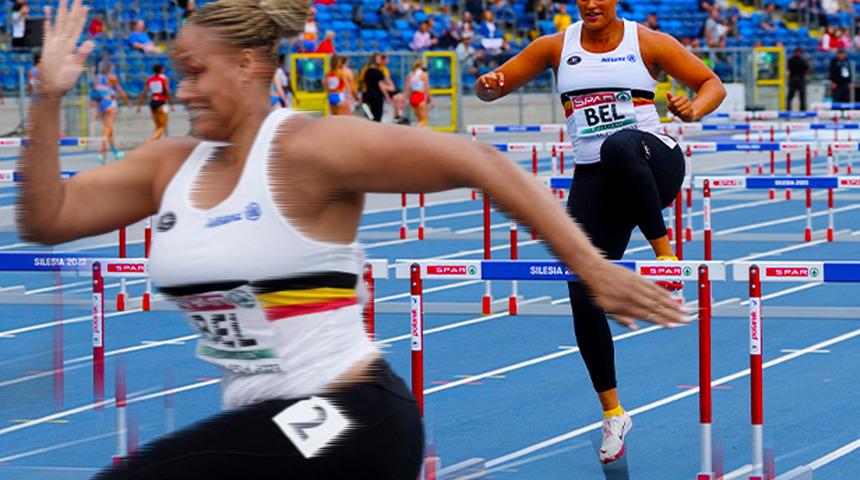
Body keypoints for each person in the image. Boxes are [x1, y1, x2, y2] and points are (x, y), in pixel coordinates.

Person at [24, 1, 685, 477]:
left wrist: (592, 268)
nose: (181, 91)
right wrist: (47, 97)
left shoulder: (307, 146)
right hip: (274, 420)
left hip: (346, 414)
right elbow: (48, 219)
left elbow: (478, 161)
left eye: (196, 72)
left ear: (247, 65)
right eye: (178, 74)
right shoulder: (170, 165)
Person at [476, 0, 724, 464]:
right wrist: (487, 86)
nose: (590, 4)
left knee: (619, 144)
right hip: (595, 180)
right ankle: (614, 414)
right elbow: (494, 87)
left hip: (654, 163)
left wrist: (694, 110)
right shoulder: (555, 46)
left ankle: (666, 256)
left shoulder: (646, 41)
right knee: (583, 289)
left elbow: (712, 84)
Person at [92, 60, 130, 161]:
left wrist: (96, 109)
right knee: (108, 130)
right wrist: (127, 101)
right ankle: (101, 153)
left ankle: (115, 152)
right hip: (110, 103)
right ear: (109, 68)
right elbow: (120, 90)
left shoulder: (96, 78)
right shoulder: (112, 77)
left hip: (101, 104)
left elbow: (95, 95)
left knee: (108, 130)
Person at [137, 64, 174, 141]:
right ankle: (151, 141)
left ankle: (155, 143)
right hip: (162, 103)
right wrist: (171, 104)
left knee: (158, 126)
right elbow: (167, 91)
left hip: (152, 103)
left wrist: (139, 106)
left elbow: (144, 93)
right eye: (163, 69)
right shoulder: (164, 78)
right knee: (163, 126)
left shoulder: (150, 79)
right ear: (161, 70)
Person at [361, 54, 388, 122]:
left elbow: (364, 85)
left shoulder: (367, 71)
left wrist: (363, 96)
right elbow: (381, 85)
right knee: (377, 118)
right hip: (377, 97)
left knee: (369, 117)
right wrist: (386, 95)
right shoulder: (378, 72)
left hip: (368, 96)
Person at [404, 59, 431, 127]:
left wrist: (404, 97)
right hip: (420, 96)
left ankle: (418, 130)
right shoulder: (424, 74)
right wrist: (430, 98)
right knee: (423, 120)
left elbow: (407, 87)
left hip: (413, 96)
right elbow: (426, 87)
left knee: (419, 119)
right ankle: (416, 130)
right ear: (421, 65)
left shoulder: (410, 74)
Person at [787, 47, 810, 111]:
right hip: (793, 79)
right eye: (797, 52)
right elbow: (788, 70)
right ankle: (788, 110)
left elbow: (807, 70)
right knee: (790, 96)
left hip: (801, 79)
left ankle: (803, 110)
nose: (798, 53)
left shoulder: (803, 60)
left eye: (799, 52)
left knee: (802, 96)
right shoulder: (791, 60)